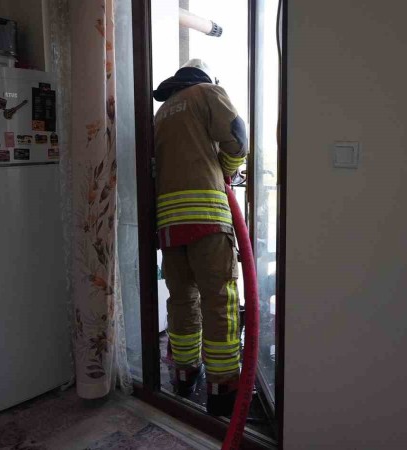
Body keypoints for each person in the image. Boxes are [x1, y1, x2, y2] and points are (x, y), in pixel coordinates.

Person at [153, 59, 248, 416]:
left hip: (168, 224)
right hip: (207, 217)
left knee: (181, 300)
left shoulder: (161, 114)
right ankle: (222, 388)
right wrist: (225, 172)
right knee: (219, 299)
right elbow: (238, 140)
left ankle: (184, 374)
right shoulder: (208, 93)